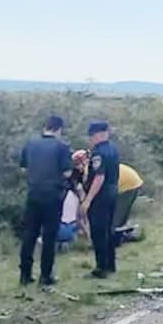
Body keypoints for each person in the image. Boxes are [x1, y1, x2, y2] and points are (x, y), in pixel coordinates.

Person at [18, 116, 72, 287]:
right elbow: (67, 173)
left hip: (33, 194)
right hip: (52, 196)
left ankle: (25, 275)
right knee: (49, 237)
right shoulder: (61, 146)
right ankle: (45, 276)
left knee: (29, 235)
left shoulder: (31, 143)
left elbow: (23, 168)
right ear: (58, 129)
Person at [79, 121, 120, 278]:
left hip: (100, 195)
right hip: (113, 192)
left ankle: (101, 268)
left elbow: (99, 176)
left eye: (91, 136)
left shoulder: (98, 153)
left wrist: (88, 199)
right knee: (108, 229)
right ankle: (111, 264)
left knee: (98, 231)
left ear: (96, 135)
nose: (90, 140)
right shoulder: (113, 149)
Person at [113, 162, 144, 247]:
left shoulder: (89, 169)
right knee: (121, 216)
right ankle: (126, 233)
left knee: (116, 218)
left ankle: (118, 240)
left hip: (127, 185)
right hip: (131, 181)